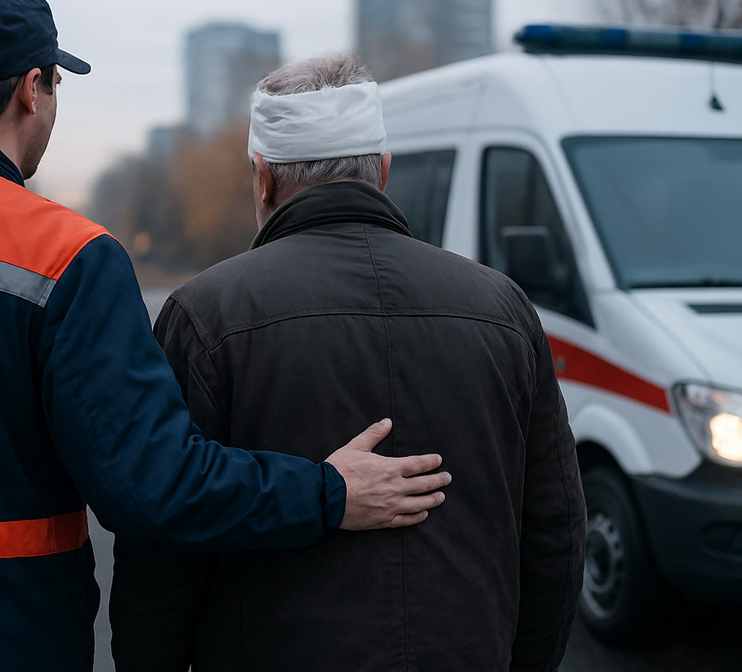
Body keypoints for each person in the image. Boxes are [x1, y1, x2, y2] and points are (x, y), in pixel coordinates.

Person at [0, 4, 453, 671]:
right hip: (2, 648)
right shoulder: (65, 258)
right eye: (57, 84)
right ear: (33, 89)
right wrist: (326, 492)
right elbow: (153, 488)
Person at [111, 54, 586, 672]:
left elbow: (164, 542)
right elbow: (555, 527)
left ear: (262, 178)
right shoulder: (504, 308)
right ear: (382, 171)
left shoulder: (207, 315)